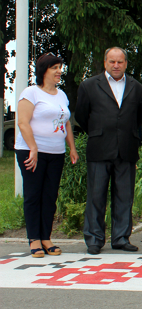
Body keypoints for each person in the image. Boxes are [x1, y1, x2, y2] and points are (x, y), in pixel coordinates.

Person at [76, 47, 142, 255]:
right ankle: (94, 239)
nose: (116, 65)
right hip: (99, 147)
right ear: (105, 62)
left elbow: (138, 118)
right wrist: (99, 131)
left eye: (120, 62)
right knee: (96, 195)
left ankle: (121, 237)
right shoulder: (89, 85)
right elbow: (82, 115)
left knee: (124, 196)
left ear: (126, 63)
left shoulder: (138, 88)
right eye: (112, 61)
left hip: (126, 148)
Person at [15, 54, 79, 257]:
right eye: (55, 68)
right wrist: (32, 147)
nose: (59, 71)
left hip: (56, 152)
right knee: (34, 195)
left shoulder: (61, 95)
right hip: (32, 151)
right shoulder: (31, 93)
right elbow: (23, 122)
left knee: (50, 196)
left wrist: (72, 148)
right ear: (44, 71)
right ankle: (34, 239)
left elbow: (66, 122)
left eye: (60, 67)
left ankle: (46, 237)